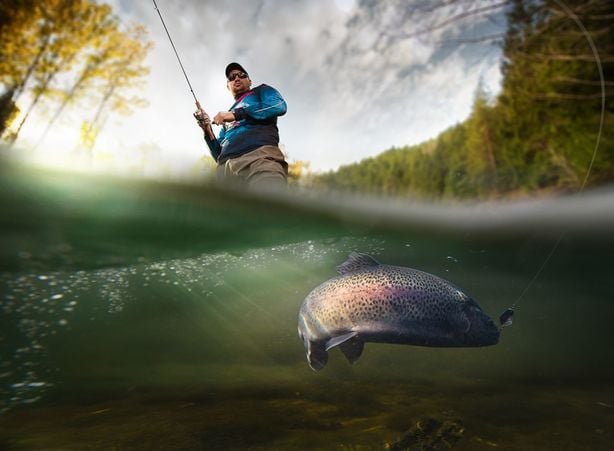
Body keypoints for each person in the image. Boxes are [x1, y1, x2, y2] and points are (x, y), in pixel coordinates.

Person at [194, 62, 288, 190]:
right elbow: (218, 154)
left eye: (241, 75)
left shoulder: (261, 90)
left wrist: (236, 114)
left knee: (269, 204)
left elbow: (278, 106)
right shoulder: (228, 117)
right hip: (225, 172)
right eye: (231, 78)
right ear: (228, 86)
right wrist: (207, 129)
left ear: (250, 81)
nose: (236, 78)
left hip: (259, 159)